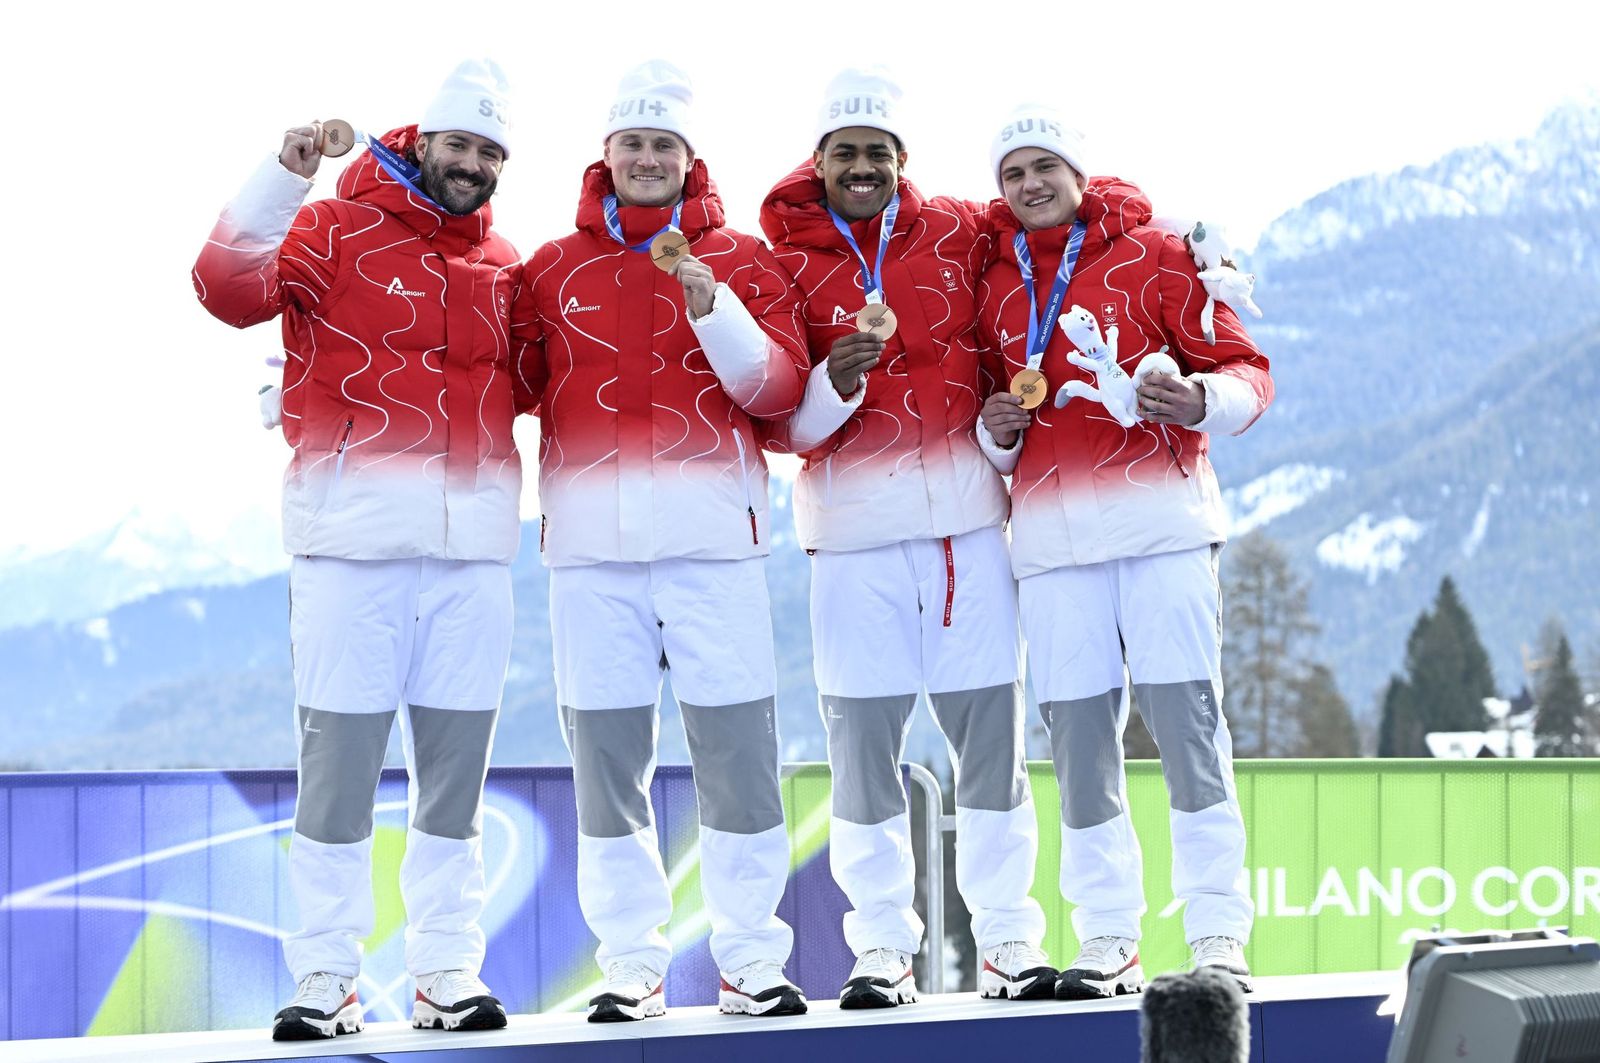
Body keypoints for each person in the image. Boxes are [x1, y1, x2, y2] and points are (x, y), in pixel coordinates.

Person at [192, 60, 521, 1038]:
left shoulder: (505, 260)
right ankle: (325, 978)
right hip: (349, 548)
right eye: (457, 142)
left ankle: (444, 975)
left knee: (454, 783)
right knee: (337, 775)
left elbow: (546, 383)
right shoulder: (333, 228)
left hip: (472, 559)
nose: (470, 162)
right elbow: (222, 287)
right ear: (423, 140)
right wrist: (283, 172)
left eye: (489, 150)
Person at [510, 60, 810, 1022]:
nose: (646, 159)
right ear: (606, 155)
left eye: (663, 146)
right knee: (606, 767)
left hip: (714, 545)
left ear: (690, 161)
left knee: (737, 759)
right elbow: (493, 381)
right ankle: (631, 964)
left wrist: (713, 304)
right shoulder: (549, 268)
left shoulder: (748, 259)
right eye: (631, 143)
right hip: (590, 554)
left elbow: (778, 395)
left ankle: (751, 959)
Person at [758, 68, 1054, 1009]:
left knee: (993, 754)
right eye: (844, 152)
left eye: (876, 153)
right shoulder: (784, 260)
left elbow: (1056, 216)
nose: (861, 167)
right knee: (864, 761)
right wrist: (829, 384)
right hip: (849, 542)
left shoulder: (963, 229)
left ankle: (1008, 939)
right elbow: (778, 425)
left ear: (901, 162)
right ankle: (881, 949)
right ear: (819, 163)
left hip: (968, 534)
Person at [976, 104, 1270, 999]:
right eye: (1014, 172)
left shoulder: (1156, 253)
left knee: (1189, 729)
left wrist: (1199, 397)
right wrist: (996, 434)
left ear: (1078, 171)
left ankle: (1218, 925)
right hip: (1055, 547)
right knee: (1080, 749)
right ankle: (1108, 932)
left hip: (1162, 532)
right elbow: (999, 413)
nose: (1031, 185)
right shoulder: (994, 283)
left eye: (1045, 167)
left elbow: (1249, 368)